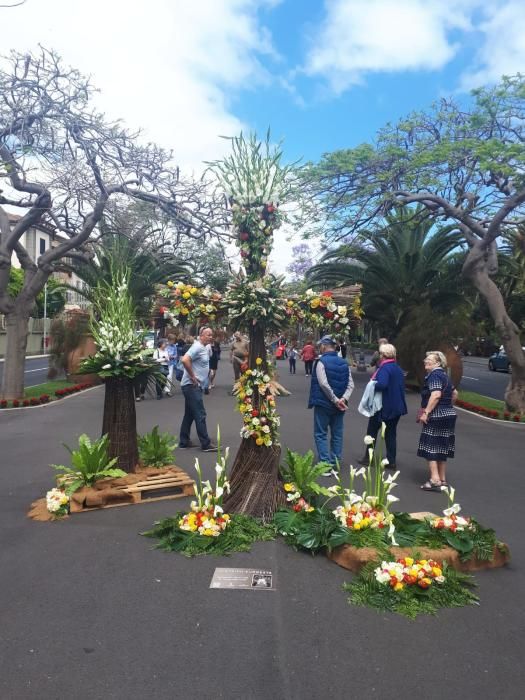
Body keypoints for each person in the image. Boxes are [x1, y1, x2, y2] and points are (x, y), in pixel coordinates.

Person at [308, 335, 354, 470]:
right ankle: (335, 462)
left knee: (321, 433)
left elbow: (323, 384)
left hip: (324, 403)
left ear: (323, 346)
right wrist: (343, 399)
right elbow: (351, 384)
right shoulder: (344, 363)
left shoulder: (321, 362)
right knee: (337, 433)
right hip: (341, 405)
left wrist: (334, 399)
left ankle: (325, 464)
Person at [358, 343, 407, 469]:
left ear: (383, 355)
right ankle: (391, 460)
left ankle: (368, 458)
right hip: (396, 406)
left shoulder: (384, 368)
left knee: (372, 432)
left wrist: (373, 384)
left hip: (383, 406)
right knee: (391, 434)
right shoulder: (396, 368)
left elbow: (382, 384)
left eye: (380, 353)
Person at [418, 351, 458, 491]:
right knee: (442, 446)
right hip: (449, 414)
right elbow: (454, 393)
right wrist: (448, 406)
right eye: (426, 359)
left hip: (436, 415)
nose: (425, 361)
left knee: (430, 445)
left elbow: (435, 395)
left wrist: (426, 412)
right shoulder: (444, 376)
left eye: (429, 359)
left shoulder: (434, 376)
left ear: (438, 363)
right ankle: (442, 479)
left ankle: (434, 480)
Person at [179, 326, 217, 451]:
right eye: (208, 334)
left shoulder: (204, 347)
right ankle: (205, 444)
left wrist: (208, 372)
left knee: (189, 415)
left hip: (193, 386)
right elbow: (185, 360)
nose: (211, 337)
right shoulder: (197, 347)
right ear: (201, 335)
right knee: (200, 414)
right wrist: (193, 376)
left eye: (211, 335)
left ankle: (184, 442)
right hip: (191, 386)